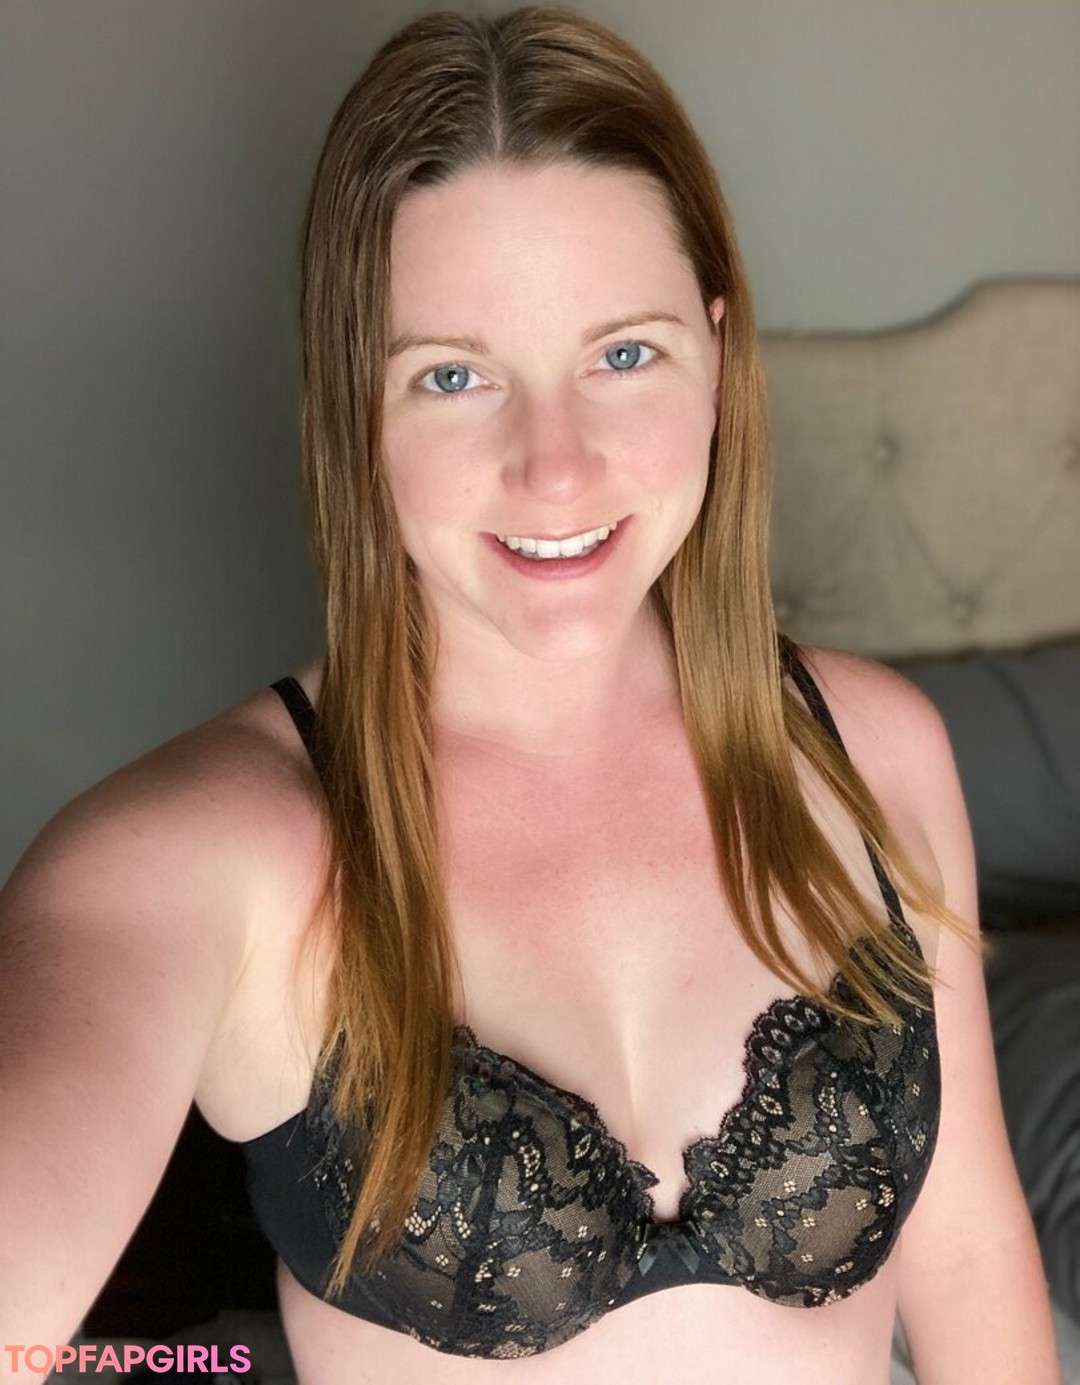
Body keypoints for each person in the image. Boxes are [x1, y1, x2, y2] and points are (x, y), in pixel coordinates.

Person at [0, 8, 1060, 1382]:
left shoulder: (876, 752)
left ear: (719, 358)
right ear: (355, 410)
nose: (555, 468)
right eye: (454, 376)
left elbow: (967, 1251)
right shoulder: (207, 854)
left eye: (624, 355)